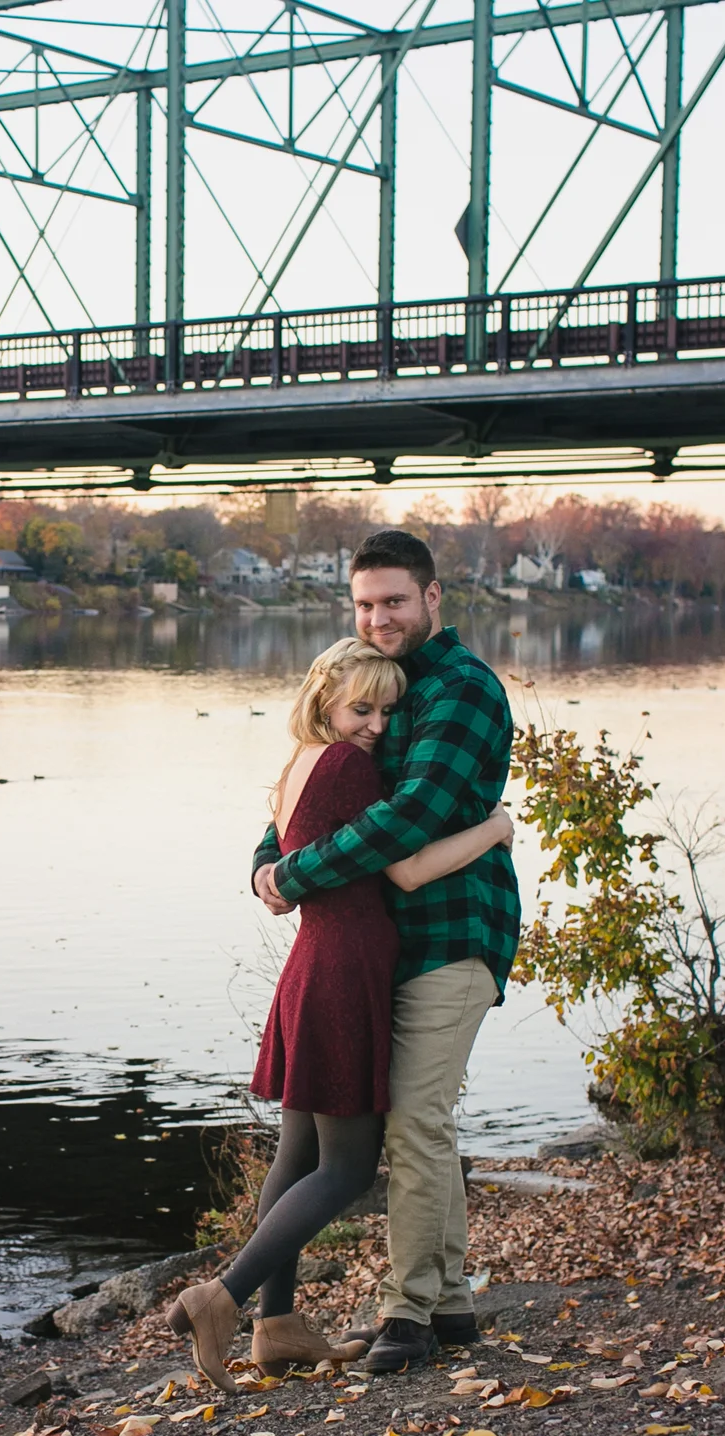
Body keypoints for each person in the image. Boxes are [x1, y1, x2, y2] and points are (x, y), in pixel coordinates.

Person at [169, 638, 515, 1392]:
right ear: (325, 696)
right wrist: (496, 827)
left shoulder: (299, 762)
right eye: (363, 708)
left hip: (310, 965)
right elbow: (407, 864)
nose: (379, 727)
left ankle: (277, 1324)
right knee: (348, 1165)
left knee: (296, 1155)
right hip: (347, 968)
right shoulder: (351, 768)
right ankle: (222, 1298)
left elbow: (282, 850)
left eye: (389, 711)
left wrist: (273, 873)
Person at [251, 530, 521, 1375]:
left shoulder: (463, 690)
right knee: (416, 1124)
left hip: (453, 936)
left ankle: (406, 1315)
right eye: (366, 604)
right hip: (386, 950)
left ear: (432, 598)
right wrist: (265, 860)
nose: (379, 618)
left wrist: (290, 871)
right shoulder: (384, 685)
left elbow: (403, 823)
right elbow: (327, 788)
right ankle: (448, 1306)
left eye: (394, 601)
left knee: (415, 1124)